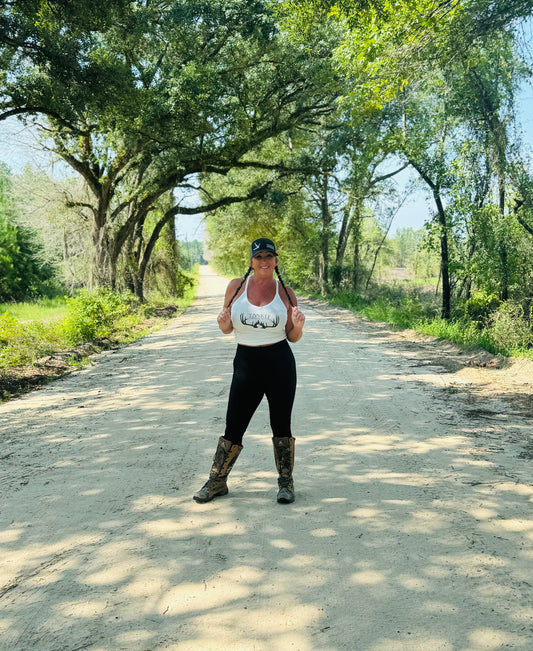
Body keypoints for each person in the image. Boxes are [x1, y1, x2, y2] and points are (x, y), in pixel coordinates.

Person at [193, 237, 305, 504]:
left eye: (269, 256)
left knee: (281, 424)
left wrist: (299, 325)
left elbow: (292, 337)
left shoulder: (286, 293)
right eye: (259, 257)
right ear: (251, 261)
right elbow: (227, 327)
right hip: (246, 363)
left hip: (279, 363)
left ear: (276, 260)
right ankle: (217, 480)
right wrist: (221, 322)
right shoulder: (236, 287)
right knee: (234, 424)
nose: (264, 261)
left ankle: (285, 483)